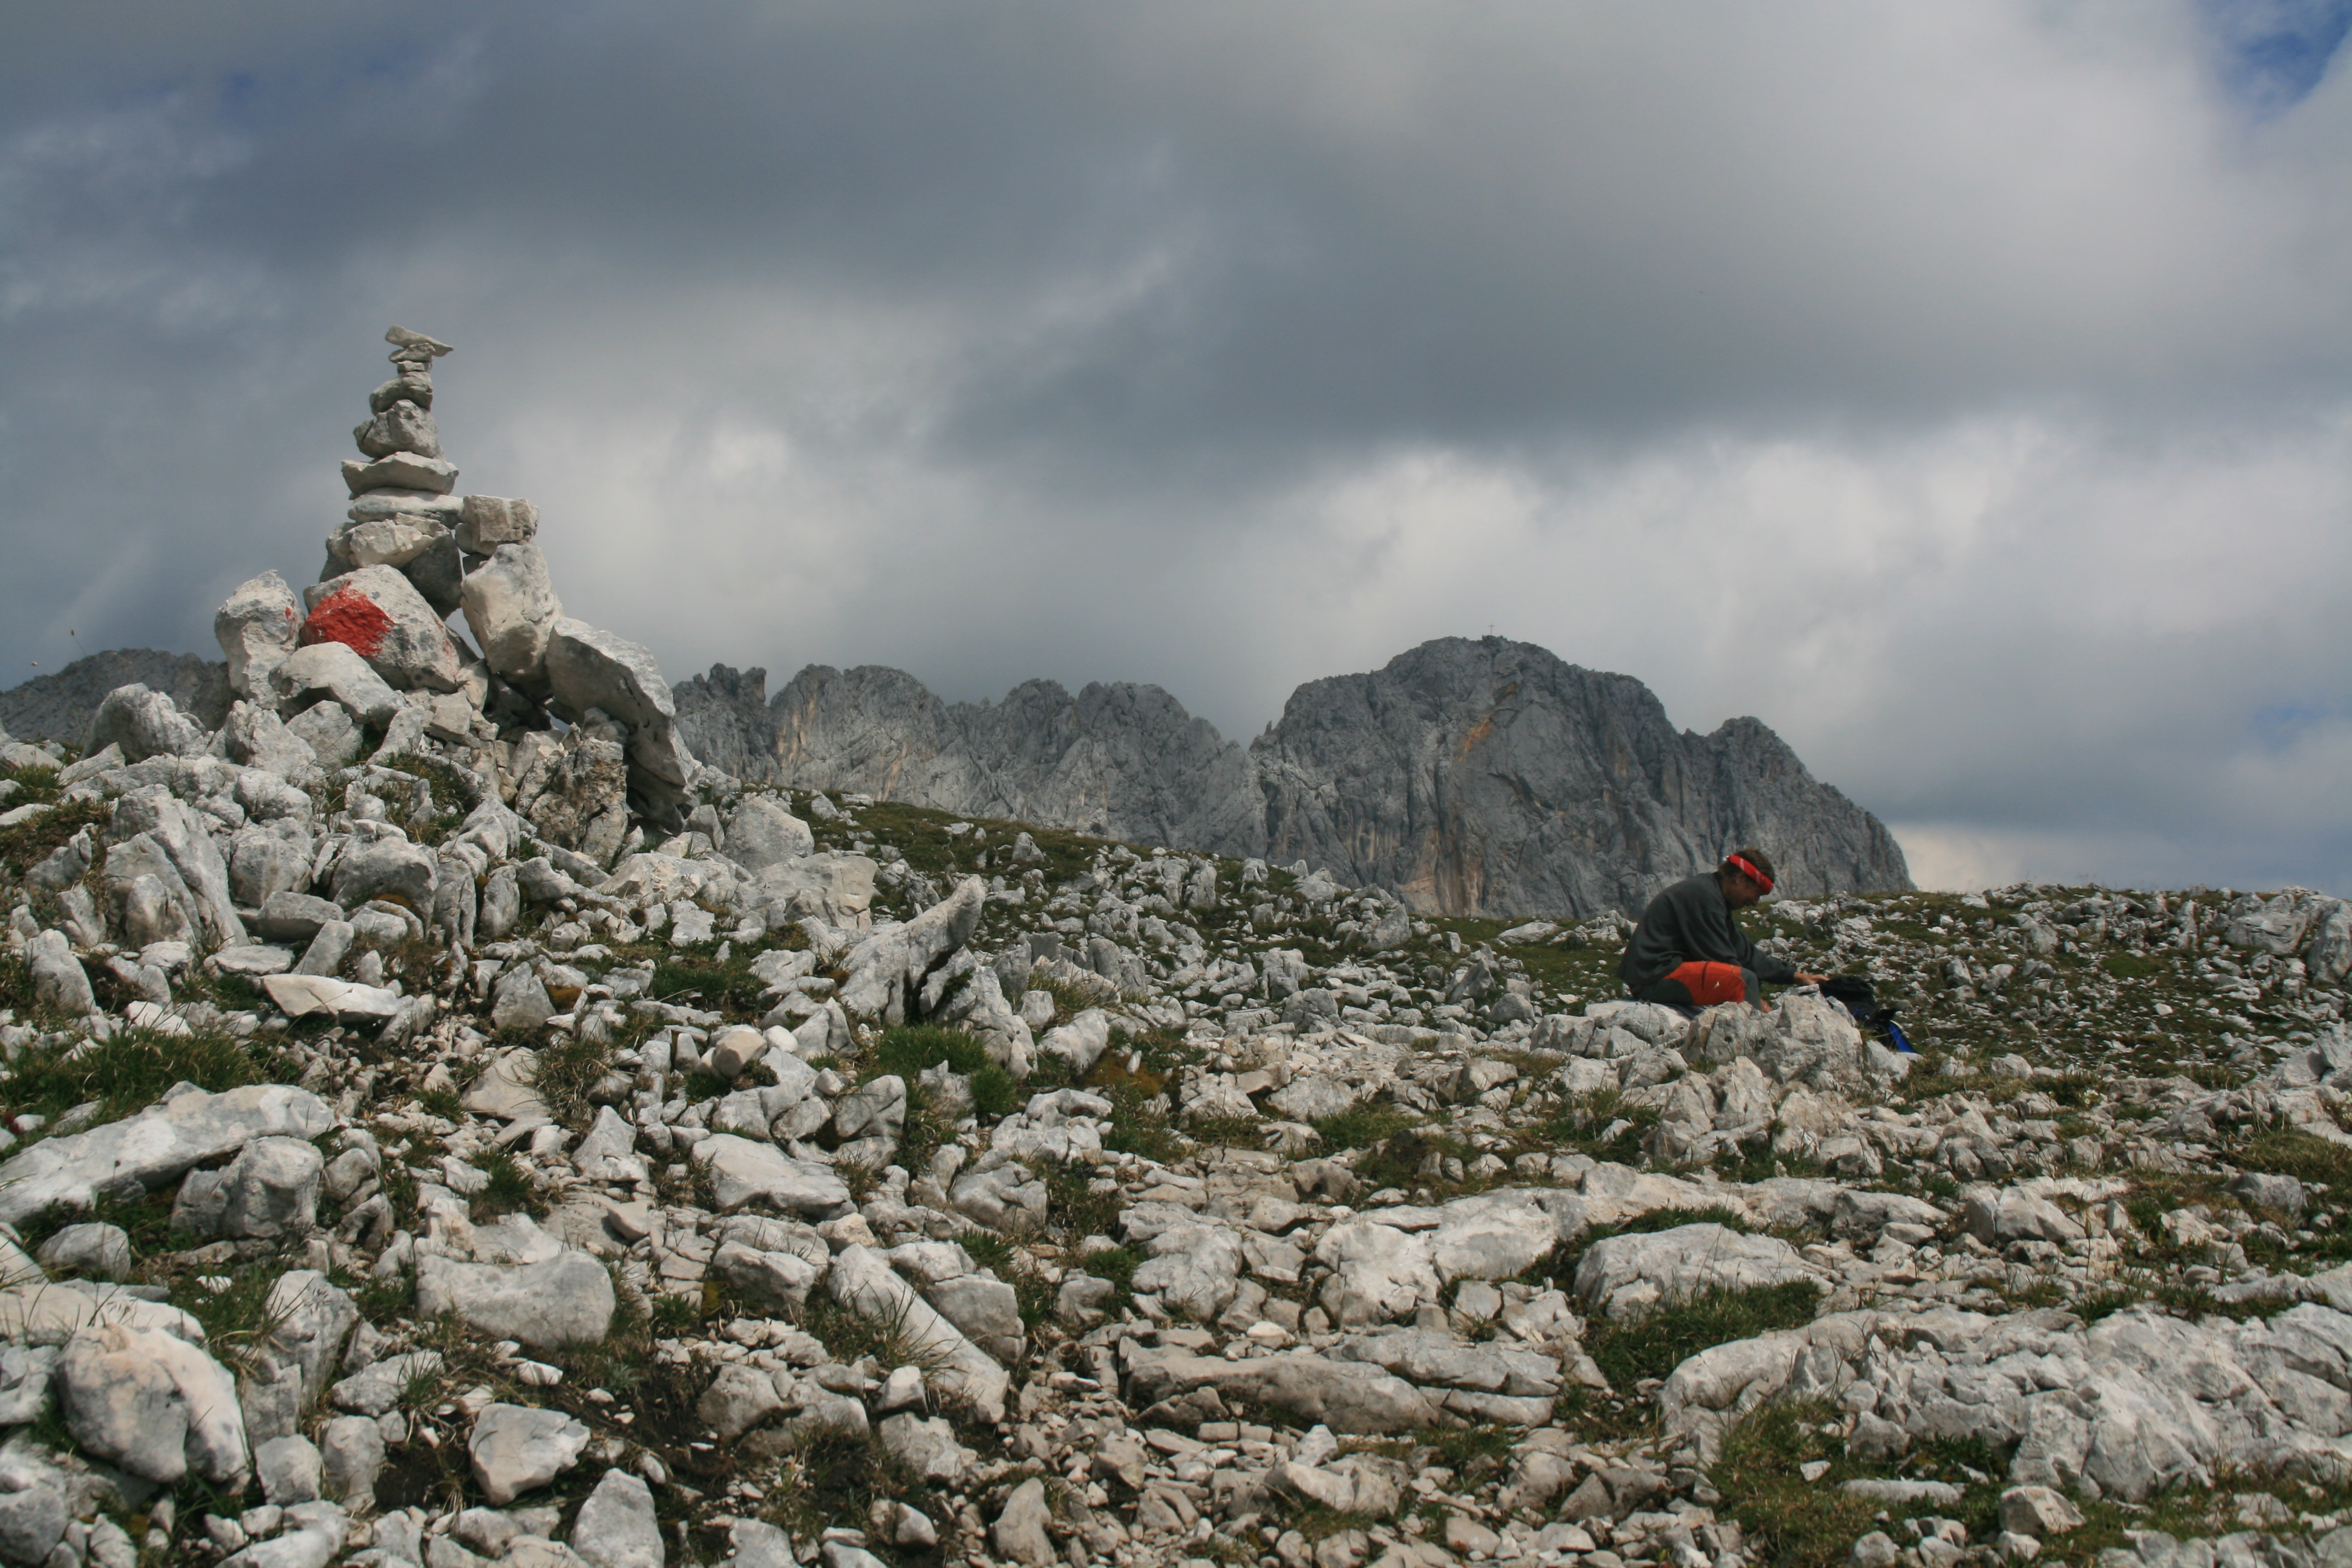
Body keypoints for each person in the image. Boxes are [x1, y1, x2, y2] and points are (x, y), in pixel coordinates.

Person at [1618, 846, 1829, 1011]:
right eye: (1756, 893)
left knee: (1741, 977)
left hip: (1655, 976)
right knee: (1740, 979)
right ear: (1739, 879)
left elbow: (1743, 950)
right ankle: (1762, 1029)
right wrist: (1763, 1009)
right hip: (1654, 978)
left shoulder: (1712, 894)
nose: (1755, 902)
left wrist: (1795, 976)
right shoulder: (1705, 898)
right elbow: (1723, 960)